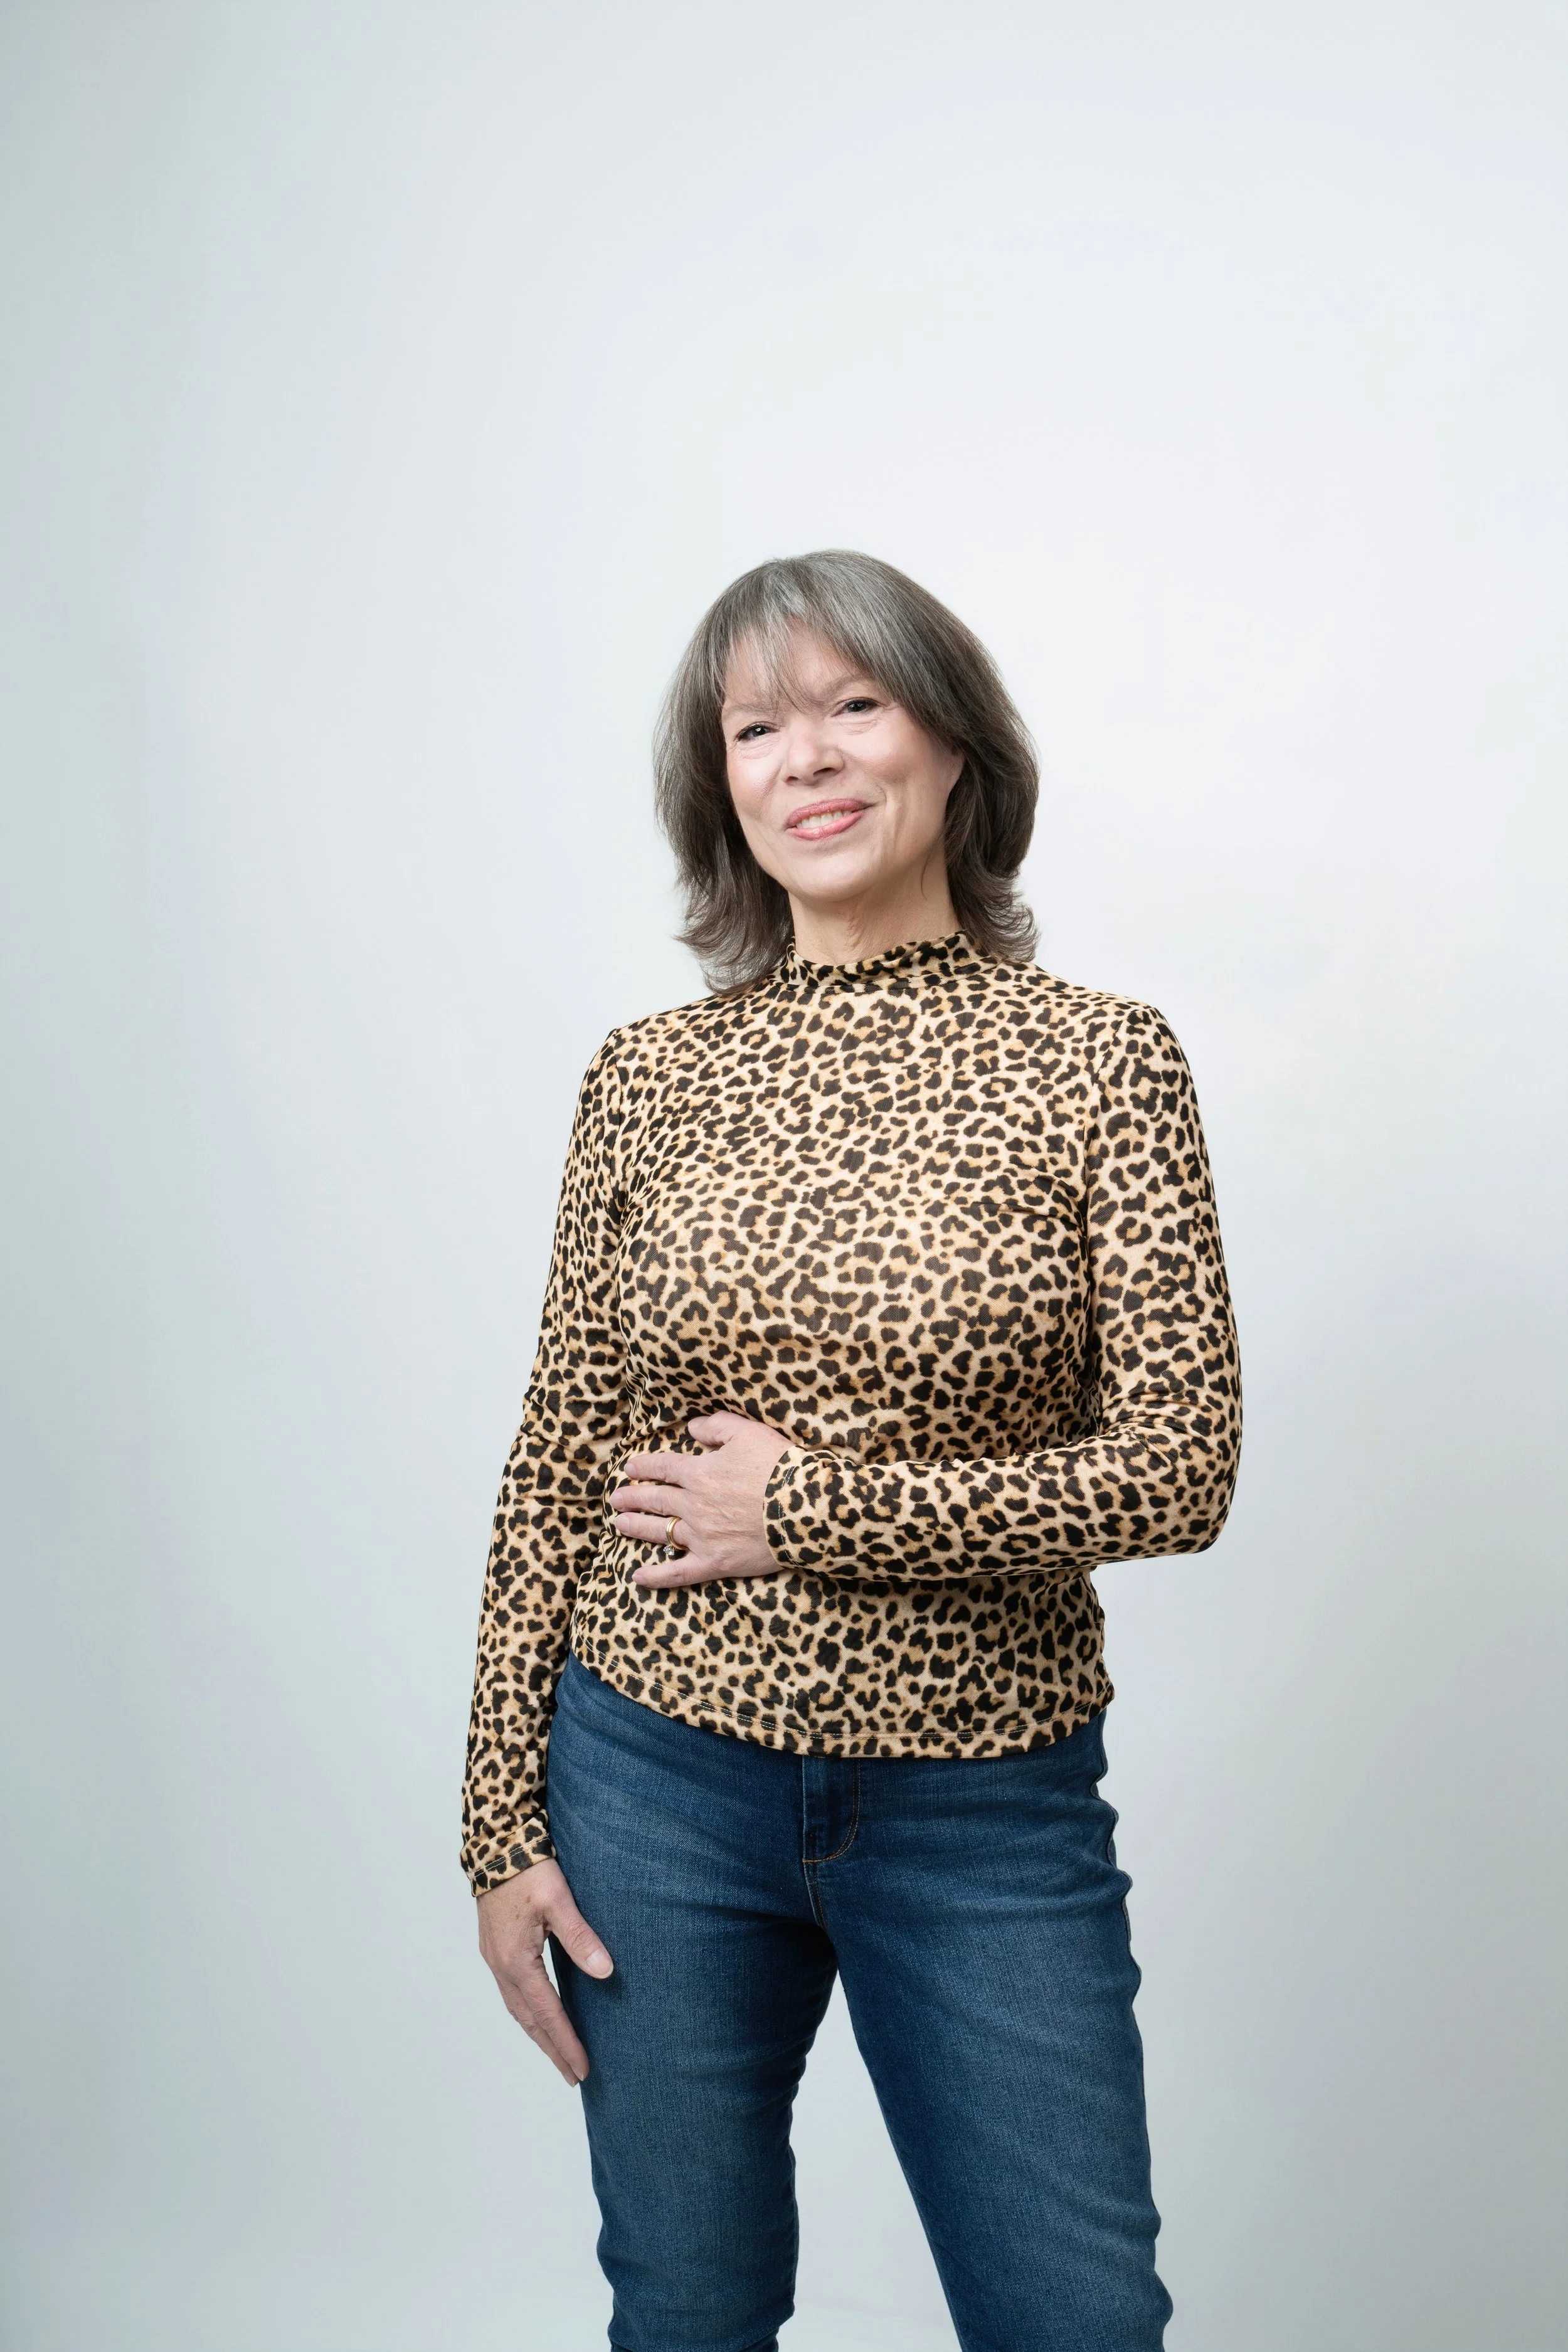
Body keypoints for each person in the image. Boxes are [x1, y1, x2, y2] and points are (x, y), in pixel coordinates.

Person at [463, 550, 1241, 2352]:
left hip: (980, 1796)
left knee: (1076, 2317)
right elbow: (560, 1449)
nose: (803, 756)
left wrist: (800, 1506)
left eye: (851, 704)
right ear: (717, 787)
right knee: (688, 2311)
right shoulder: (645, 1076)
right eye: (755, 725)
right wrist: (499, 1820)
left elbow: (1180, 1464)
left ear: (953, 747)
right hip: (650, 1776)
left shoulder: (1097, 1064)